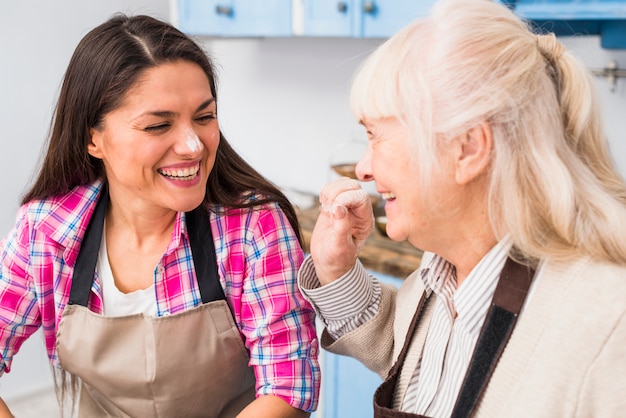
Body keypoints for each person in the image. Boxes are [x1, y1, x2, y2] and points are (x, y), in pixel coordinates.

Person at [298, 0, 626, 416]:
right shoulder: (439, 277)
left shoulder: (609, 325)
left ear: (468, 149)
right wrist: (336, 271)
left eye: (375, 136)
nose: (362, 168)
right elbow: (407, 354)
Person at [0, 14, 320, 418]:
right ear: (92, 138)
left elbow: (289, 386)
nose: (192, 145)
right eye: (158, 125)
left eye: (204, 118)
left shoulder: (253, 227)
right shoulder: (46, 230)